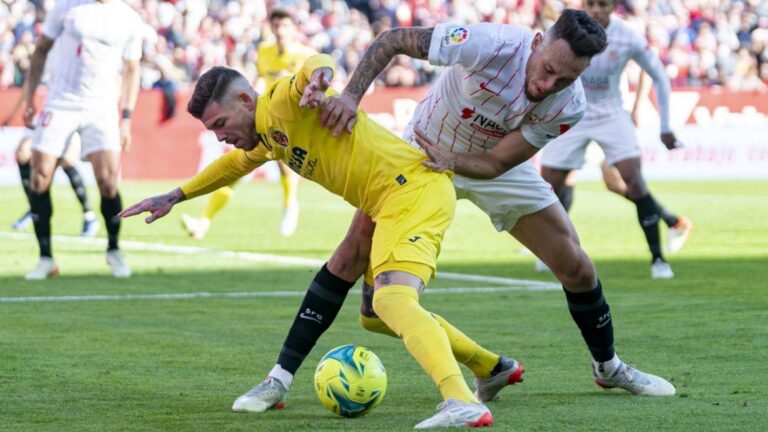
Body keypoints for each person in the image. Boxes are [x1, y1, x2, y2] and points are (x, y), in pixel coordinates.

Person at [231, 9, 675, 416]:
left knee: (577, 266)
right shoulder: (488, 43)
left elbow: (498, 162)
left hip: (486, 165)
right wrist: (350, 96)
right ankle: (277, 380)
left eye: (564, 79)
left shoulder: (569, 104)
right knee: (356, 268)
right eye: (547, 70)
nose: (547, 85)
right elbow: (392, 39)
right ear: (537, 42)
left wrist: (455, 161)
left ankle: (608, 367)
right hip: (419, 154)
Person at [120, 56, 504, 428]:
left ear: (245, 100)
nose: (220, 136)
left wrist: (320, 77)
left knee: (392, 301)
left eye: (221, 124)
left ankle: (460, 401)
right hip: (383, 201)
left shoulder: (282, 103)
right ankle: (490, 367)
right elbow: (234, 165)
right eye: (212, 131)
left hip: (413, 192)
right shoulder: (268, 134)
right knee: (368, 307)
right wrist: (177, 195)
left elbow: (312, 65)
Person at [540, 0, 694, 279]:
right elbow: (539, 58)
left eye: (603, 4)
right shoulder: (565, 28)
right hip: (571, 109)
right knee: (548, 185)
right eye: (591, 4)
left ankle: (658, 259)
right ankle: (550, 250)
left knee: (633, 180)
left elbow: (658, 74)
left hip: (610, 113)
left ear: (614, 7)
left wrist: (665, 125)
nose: (596, 10)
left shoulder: (628, 36)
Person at [22, 0, 142, 280]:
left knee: (108, 182)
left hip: (101, 106)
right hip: (60, 101)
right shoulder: (66, 6)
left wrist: (126, 117)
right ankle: (45, 258)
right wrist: (30, 97)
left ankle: (114, 249)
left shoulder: (129, 19)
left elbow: (132, 69)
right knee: (39, 177)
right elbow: (41, 50)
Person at [181, 8, 316, 240]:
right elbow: (262, 77)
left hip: (293, 119)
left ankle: (290, 204)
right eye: (276, 26)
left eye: (285, 26)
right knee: (234, 171)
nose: (280, 31)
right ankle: (203, 222)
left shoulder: (307, 55)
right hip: (263, 118)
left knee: (281, 157)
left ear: (294, 29)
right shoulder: (265, 51)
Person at [2, 85, 98, 237]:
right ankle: (34, 208)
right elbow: (29, 87)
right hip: (45, 114)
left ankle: (89, 215)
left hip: (68, 113)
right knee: (22, 153)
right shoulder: (40, 71)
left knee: (66, 160)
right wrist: (14, 114)